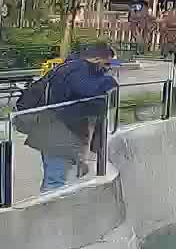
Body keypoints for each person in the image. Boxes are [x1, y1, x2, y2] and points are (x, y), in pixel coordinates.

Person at [20, 42, 119, 192]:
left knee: (60, 179)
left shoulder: (74, 68)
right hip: (58, 133)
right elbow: (87, 91)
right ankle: (51, 206)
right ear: (97, 59)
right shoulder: (77, 70)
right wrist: (110, 82)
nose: (108, 69)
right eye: (107, 64)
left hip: (59, 131)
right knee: (55, 182)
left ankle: (55, 204)